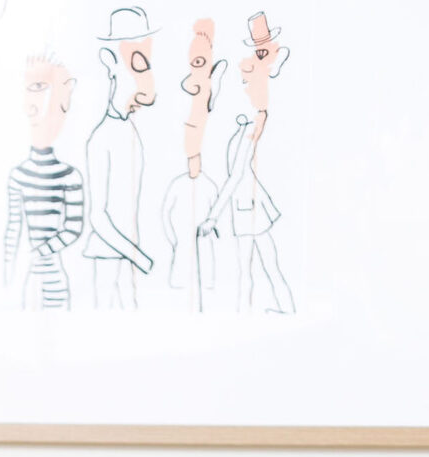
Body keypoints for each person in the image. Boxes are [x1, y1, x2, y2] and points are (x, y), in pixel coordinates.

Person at [203, 12, 295, 311]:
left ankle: (260, 313)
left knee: (252, 270)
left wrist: (213, 216)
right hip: (248, 206)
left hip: (248, 207)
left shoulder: (253, 122)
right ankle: (278, 310)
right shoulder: (244, 124)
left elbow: (238, 174)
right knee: (258, 268)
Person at [83, 5, 158, 310]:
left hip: (128, 252)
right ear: (111, 64)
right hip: (111, 254)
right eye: (136, 64)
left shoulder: (130, 132)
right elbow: (98, 216)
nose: (144, 79)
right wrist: (139, 257)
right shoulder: (101, 138)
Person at [4, 54, 86, 310]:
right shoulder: (18, 175)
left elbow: (73, 228)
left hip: (53, 278)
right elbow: (12, 229)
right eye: (34, 90)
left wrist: (39, 252)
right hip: (28, 280)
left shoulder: (69, 176)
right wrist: (7, 273)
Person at [161, 19, 225, 310]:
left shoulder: (207, 92)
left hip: (197, 132)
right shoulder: (193, 92)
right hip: (192, 136)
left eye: (199, 61)